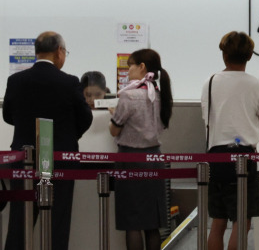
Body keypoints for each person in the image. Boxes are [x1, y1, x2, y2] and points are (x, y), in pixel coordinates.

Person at [3, 31, 93, 250]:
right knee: (57, 222)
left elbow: (7, 115)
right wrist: (70, 135)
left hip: (24, 161)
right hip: (59, 160)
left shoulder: (15, 80)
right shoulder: (69, 82)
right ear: (59, 52)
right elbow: (85, 118)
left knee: (19, 222)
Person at [202, 31, 259, 250]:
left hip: (214, 157)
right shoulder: (256, 85)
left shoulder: (210, 82)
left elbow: (207, 119)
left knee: (218, 221)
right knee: (242, 221)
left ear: (224, 54)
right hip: (243, 158)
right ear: (250, 56)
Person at [109, 49, 173, 250]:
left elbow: (114, 130)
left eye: (131, 66)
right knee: (151, 222)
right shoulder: (160, 94)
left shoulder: (129, 96)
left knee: (133, 221)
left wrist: (113, 114)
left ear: (142, 67)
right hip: (154, 158)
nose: (128, 71)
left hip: (130, 158)